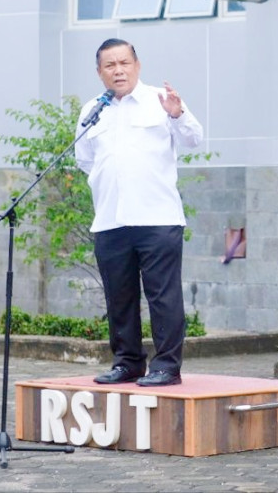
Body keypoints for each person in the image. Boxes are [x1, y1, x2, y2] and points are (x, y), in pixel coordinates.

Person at [75, 38, 204, 387]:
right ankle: (128, 362)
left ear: (137, 65)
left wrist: (177, 114)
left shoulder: (160, 101)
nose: (118, 70)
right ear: (99, 71)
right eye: (110, 65)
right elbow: (85, 158)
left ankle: (166, 366)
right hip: (110, 218)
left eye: (124, 63)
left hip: (157, 217)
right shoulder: (93, 110)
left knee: (163, 296)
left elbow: (194, 139)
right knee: (119, 296)